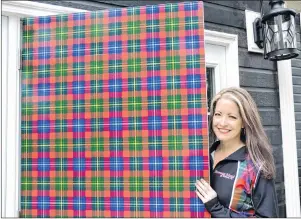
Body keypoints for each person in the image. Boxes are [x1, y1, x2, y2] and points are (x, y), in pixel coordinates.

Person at [195, 87, 279, 217]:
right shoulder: (201, 157)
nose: (222, 123)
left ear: (244, 122)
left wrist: (215, 207)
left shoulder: (256, 166)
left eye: (232, 117)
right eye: (218, 114)